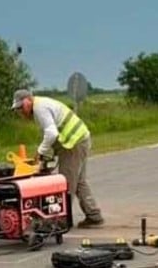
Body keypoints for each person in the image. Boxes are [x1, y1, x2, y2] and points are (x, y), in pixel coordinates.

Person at [10, 89, 103, 228]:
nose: (21, 111)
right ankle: (94, 215)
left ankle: (61, 220)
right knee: (79, 181)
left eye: (21, 107)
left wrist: (40, 151)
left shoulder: (40, 108)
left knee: (65, 183)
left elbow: (51, 133)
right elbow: (52, 134)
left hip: (73, 143)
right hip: (80, 139)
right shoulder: (41, 105)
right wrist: (47, 154)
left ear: (28, 100)